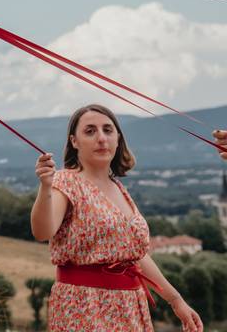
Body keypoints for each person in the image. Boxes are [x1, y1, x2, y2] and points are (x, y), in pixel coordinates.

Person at [31, 104, 203, 332]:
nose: (101, 138)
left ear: (118, 138)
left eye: (108, 130)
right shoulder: (66, 182)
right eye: (90, 131)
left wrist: (175, 300)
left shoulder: (119, 188)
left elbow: (134, 255)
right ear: (74, 141)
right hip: (85, 305)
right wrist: (45, 187)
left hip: (130, 305)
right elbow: (43, 231)